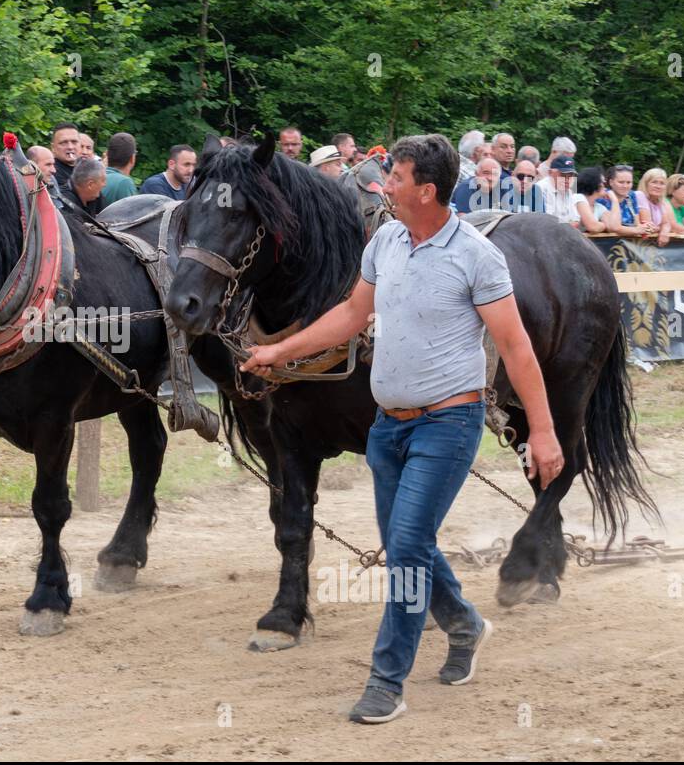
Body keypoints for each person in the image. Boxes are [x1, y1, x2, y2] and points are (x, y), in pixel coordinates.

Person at [240, 133, 563, 725]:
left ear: (427, 190)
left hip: (449, 424)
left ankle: (387, 680)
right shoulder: (386, 240)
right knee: (408, 547)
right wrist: (279, 352)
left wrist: (541, 433)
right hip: (388, 430)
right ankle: (464, 624)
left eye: (394, 178)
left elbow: (516, 348)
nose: (383, 186)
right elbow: (351, 315)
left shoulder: (475, 256)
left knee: (407, 550)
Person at [595, 165, 655, 238]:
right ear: (611, 182)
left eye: (628, 182)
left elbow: (636, 224)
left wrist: (647, 228)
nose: (625, 186)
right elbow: (613, 228)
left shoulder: (631, 195)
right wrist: (638, 230)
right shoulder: (602, 197)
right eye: (621, 182)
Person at [637, 168, 684, 246]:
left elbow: (667, 223)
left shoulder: (661, 201)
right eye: (654, 182)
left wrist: (664, 232)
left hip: (649, 247)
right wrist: (662, 229)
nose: (658, 186)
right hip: (635, 244)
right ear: (645, 184)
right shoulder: (639, 195)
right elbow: (648, 226)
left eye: (662, 183)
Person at [539, 155, 581, 224]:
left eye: (570, 175)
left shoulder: (568, 190)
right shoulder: (541, 189)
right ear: (550, 173)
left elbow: (575, 218)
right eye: (563, 175)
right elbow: (547, 222)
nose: (567, 179)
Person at [571, 166, 611, 234]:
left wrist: (615, 200)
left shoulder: (599, 207)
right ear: (594, 183)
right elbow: (593, 227)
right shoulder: (577, 197)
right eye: (603, 183)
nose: (606, 186)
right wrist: (604, 225)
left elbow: (612, 227)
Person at [100, 132, 137, 204]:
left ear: (107, 154)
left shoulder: (94, 177)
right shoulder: (124, 182)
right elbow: (132, 213)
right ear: (132, 158)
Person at [27, 144, 65, 210]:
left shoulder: (51, 180)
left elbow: (59, 211)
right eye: (48, 164)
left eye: (53, 165)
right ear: (32, 165)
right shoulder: (20, 187)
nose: (54, 170)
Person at [50, 123, 80, 190]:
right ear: (53, 147)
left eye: (74, 142)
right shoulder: (52, 172)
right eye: (63, 143)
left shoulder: (85, 168)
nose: (70, 147)